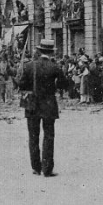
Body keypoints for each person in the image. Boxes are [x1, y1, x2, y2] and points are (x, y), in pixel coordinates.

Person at [17, 39, 64, 177]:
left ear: (39, 50)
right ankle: (47, 169)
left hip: (32, 105)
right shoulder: (55, 67)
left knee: (33, 137)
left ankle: (36, 167)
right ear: (51, 52)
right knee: (49, 136)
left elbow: (21, 85)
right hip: (49, 105)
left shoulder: (29, 66)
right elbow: (63, 84)